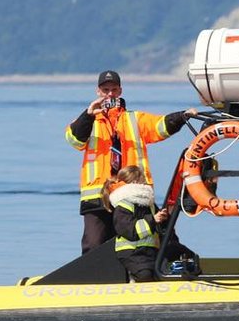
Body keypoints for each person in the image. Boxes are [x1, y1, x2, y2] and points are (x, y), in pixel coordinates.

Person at [66, 70, 196, 254]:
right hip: (97, 195)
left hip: (133, 191)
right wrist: (88, 115)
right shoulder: (87, 120)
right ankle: (92, 278)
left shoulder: (135, 119)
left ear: (120, 91)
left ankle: (164, 268)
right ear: (98, 92)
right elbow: (74, 140)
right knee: (94, 244)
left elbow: (160, 125)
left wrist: (182, 116)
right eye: (105, 90)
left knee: (161, 233)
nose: (109, 94)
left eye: (113, 89)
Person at [104, 165, 170, 282]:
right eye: (143, 180)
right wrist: (153, 220)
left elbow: (158, 230)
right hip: (131, 253)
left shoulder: (149, 204)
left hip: (150, 251)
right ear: (135, 182)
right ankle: (132, 281)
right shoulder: (123, 206)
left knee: (165, 272)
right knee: (145, 275)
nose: (146, 183)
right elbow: (130, 231)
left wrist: (164, 218)